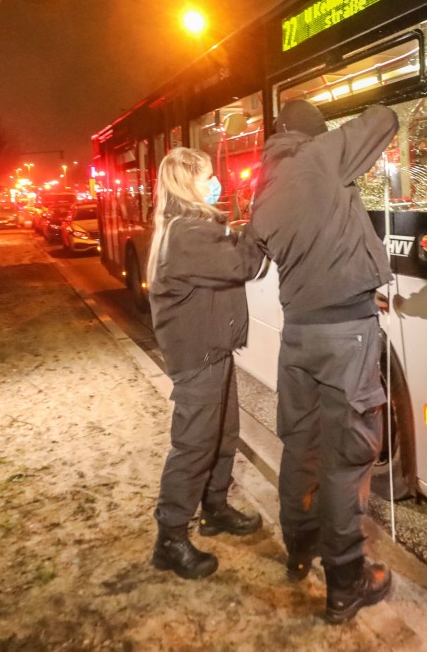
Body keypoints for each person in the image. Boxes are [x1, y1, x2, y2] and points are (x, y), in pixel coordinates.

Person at [250, 98, 398, 624]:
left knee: (301, 446)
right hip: (344, 338)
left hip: (300, 336)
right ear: (313, 134)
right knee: (346, 458)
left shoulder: (263, 188)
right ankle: (346, 582)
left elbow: (261, 256)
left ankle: (298, 548)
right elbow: (384, 120)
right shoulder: (318, 156)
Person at [148, 147, 266, 580]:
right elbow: (243, 264)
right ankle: (171, 537)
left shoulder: (191, 228)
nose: (214, 182)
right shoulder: (188, 234)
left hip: (210, 348)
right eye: (207, 177)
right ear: (188, 183)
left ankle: (214, 508)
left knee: (223, 435)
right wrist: (259, 220)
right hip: (198, 355)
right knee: (194, 445)